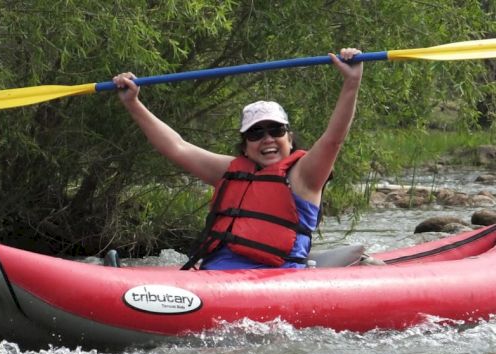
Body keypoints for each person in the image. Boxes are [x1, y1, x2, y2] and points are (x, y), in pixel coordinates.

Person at [113, 47, 363, 270]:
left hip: (271, 280)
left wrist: (351, 83)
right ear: (245, 146)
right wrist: (133, 103)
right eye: (256, 133)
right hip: (214, 275)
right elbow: (177, 147)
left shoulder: (305, 175)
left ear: (289, 138)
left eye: (276, 131)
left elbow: (333, 139)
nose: (267, 139)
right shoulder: (230, 170)